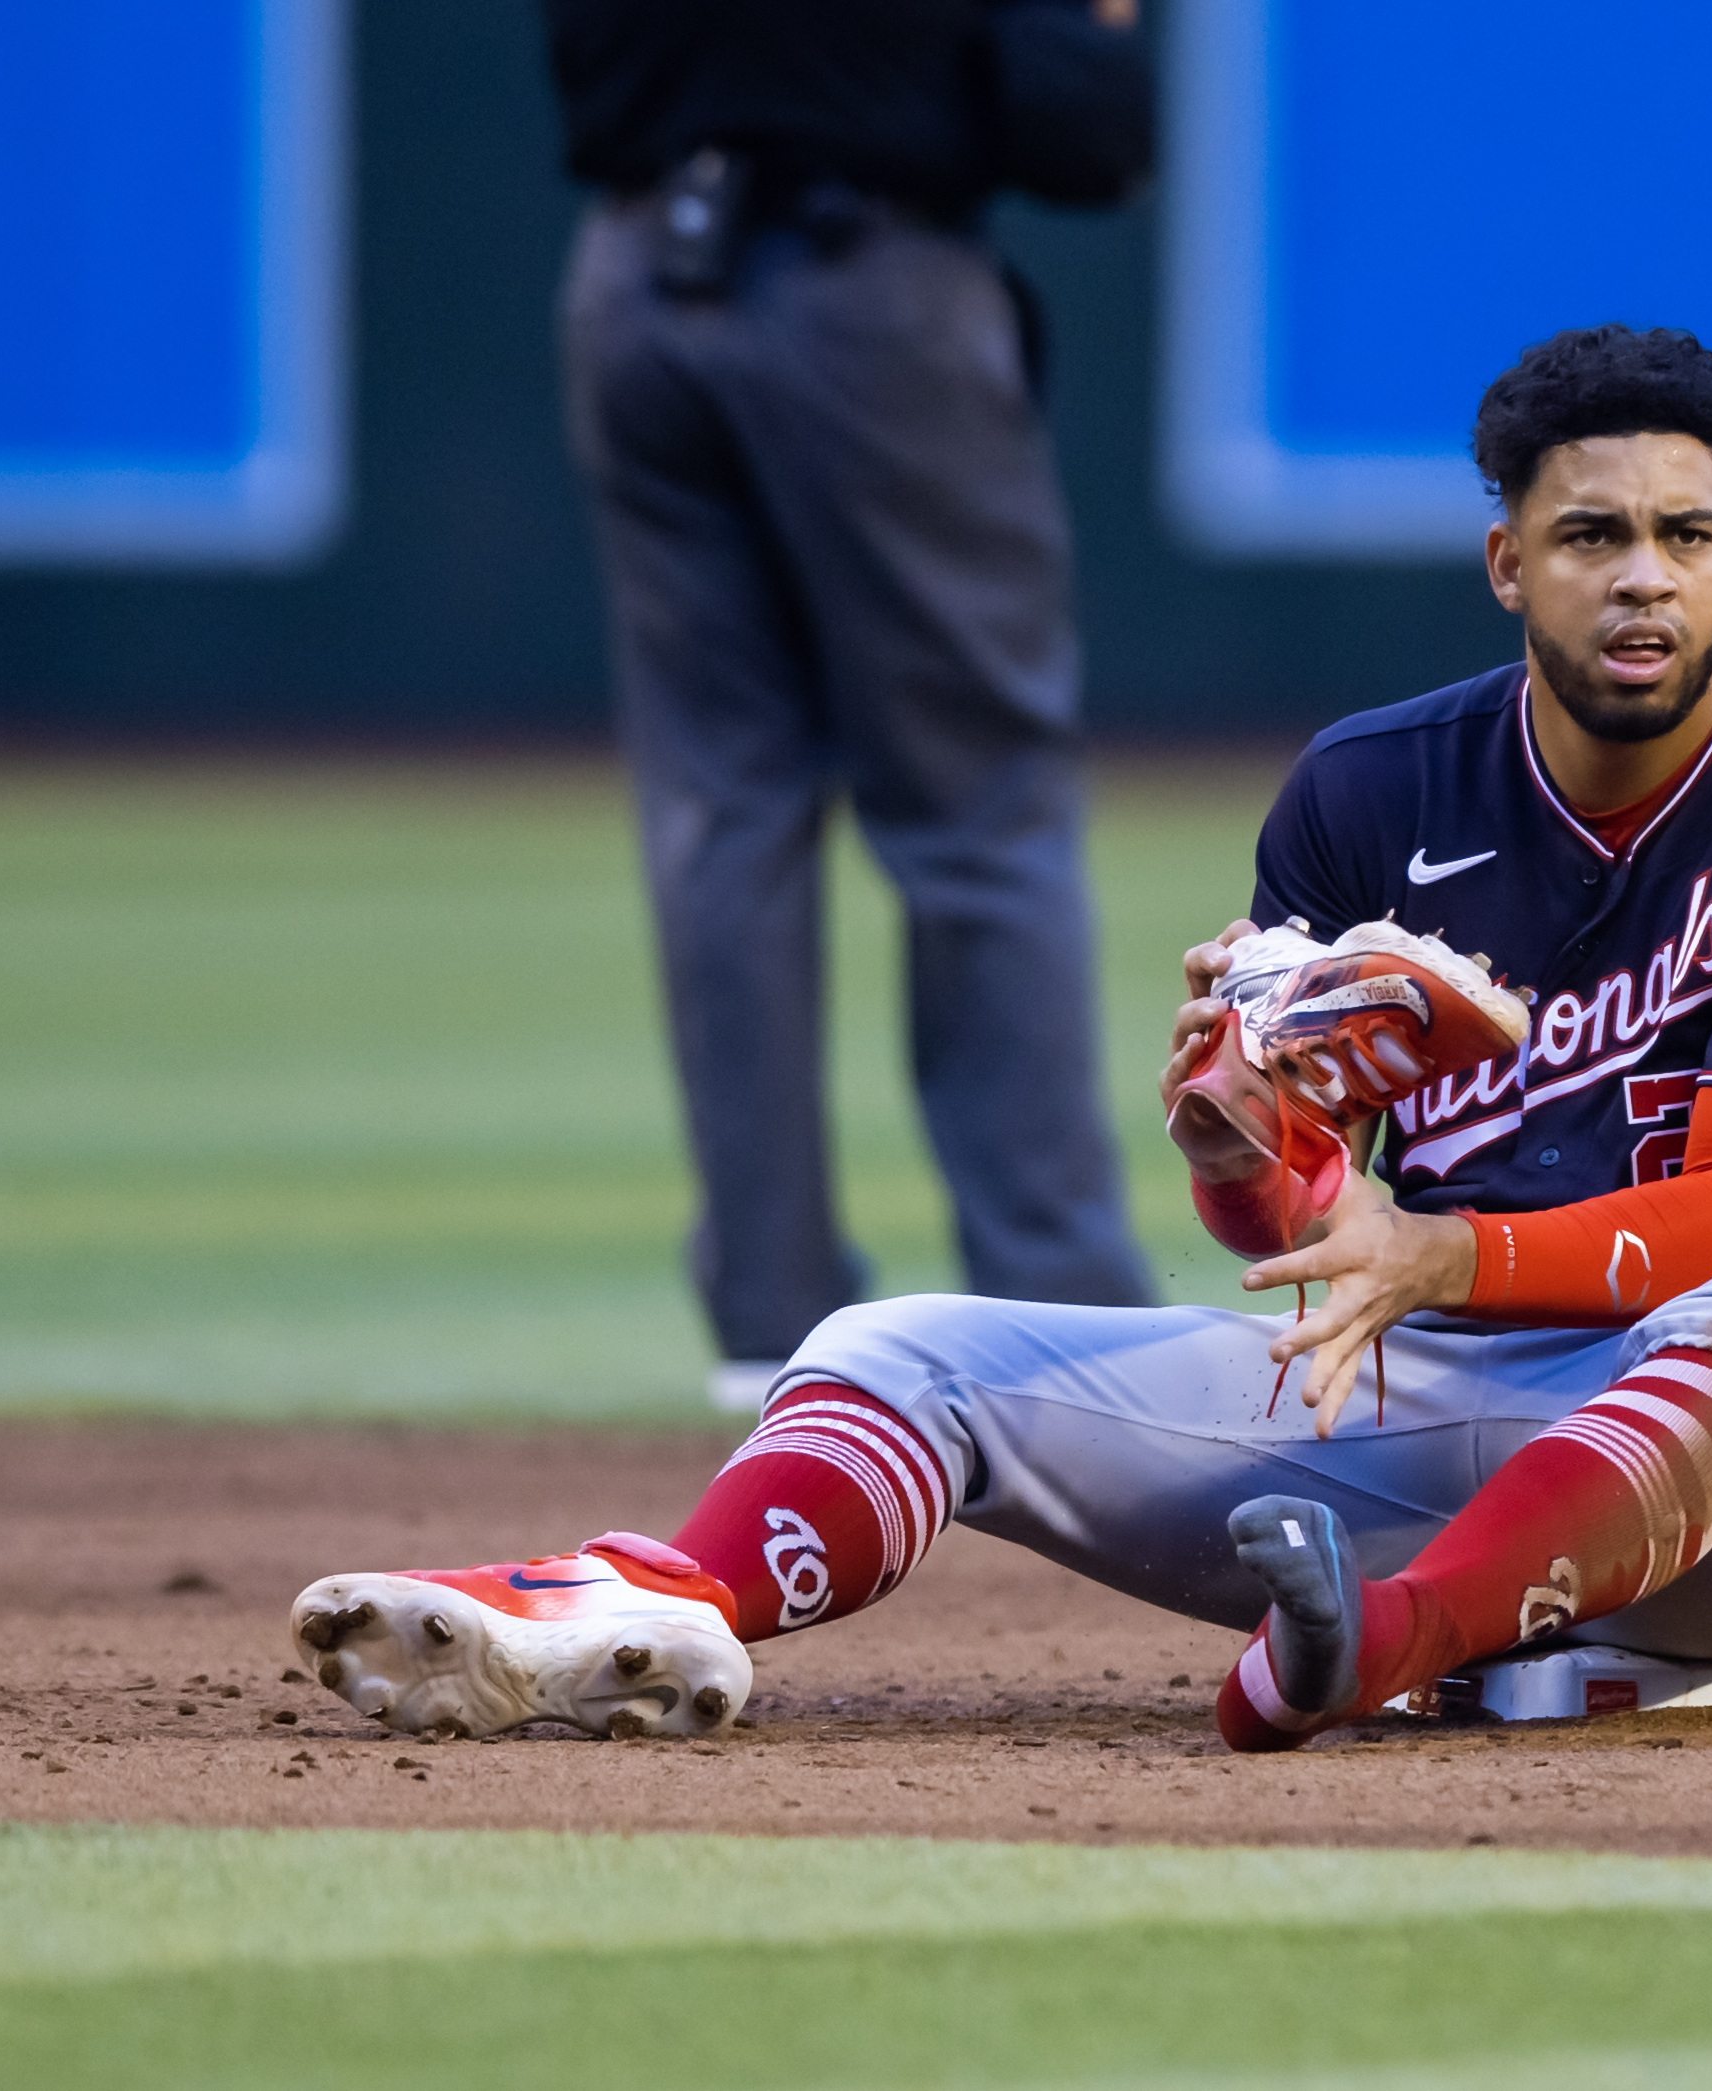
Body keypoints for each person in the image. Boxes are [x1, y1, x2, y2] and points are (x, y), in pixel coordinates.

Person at [288, 326, 1712, 1750]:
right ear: (1508, 563)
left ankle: (1385, 1645)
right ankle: (644, 1613)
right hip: (1424, 1400)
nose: (1643, 578)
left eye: (1688, 536)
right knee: (898, 1347)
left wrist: (1434, 1250)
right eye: (1595, 533)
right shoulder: (1373, 791)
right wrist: (1246, 1149)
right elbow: (1300, 1239)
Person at [541, 0, 1160, 1410]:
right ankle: (1059, 1307)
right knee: (981, 815)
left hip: (635, 275)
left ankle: (769, 1319)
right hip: (863, 282)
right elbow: (1085, 129)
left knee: (721, 810)